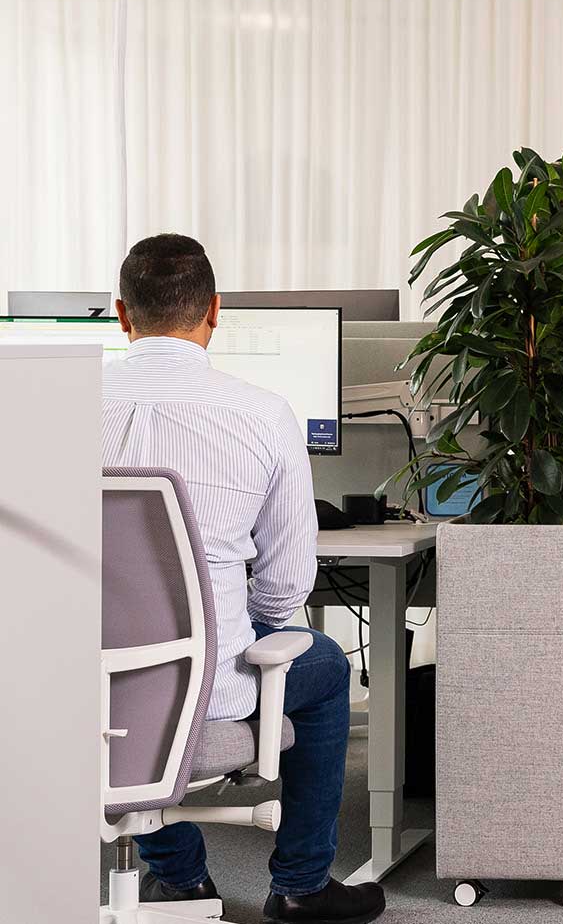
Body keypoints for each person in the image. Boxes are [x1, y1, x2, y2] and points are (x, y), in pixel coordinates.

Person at [101, 234, 385, 924]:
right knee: (318, 662)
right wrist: (237, 623)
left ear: (120, 314)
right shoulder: (261, 415)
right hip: (205, 696)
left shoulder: (42, 409)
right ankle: (300, 885)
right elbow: (288, 587)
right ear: (215, 312)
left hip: (65, 691)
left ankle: (181, 877)